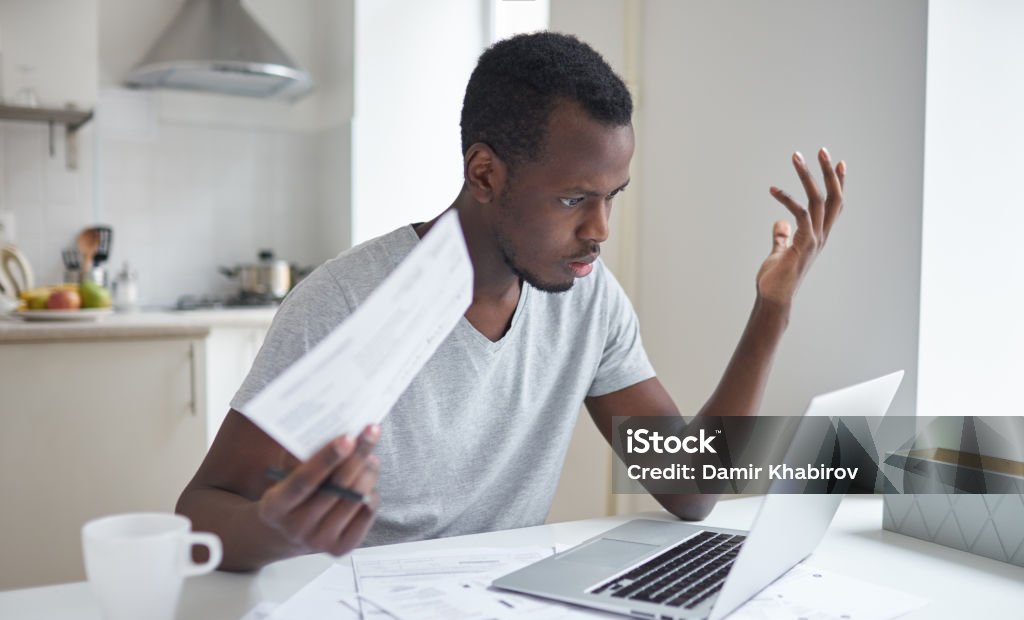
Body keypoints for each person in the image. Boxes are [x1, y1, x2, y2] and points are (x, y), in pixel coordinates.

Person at [176, 32, 844, 572]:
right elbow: (203, 509)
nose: (600, 230)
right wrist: (276, 528)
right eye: (573, 198)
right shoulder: (348, 301)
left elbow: (691, 488)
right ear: (485, 174)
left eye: (613, 195)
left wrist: (771, 310)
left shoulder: (587, 299)